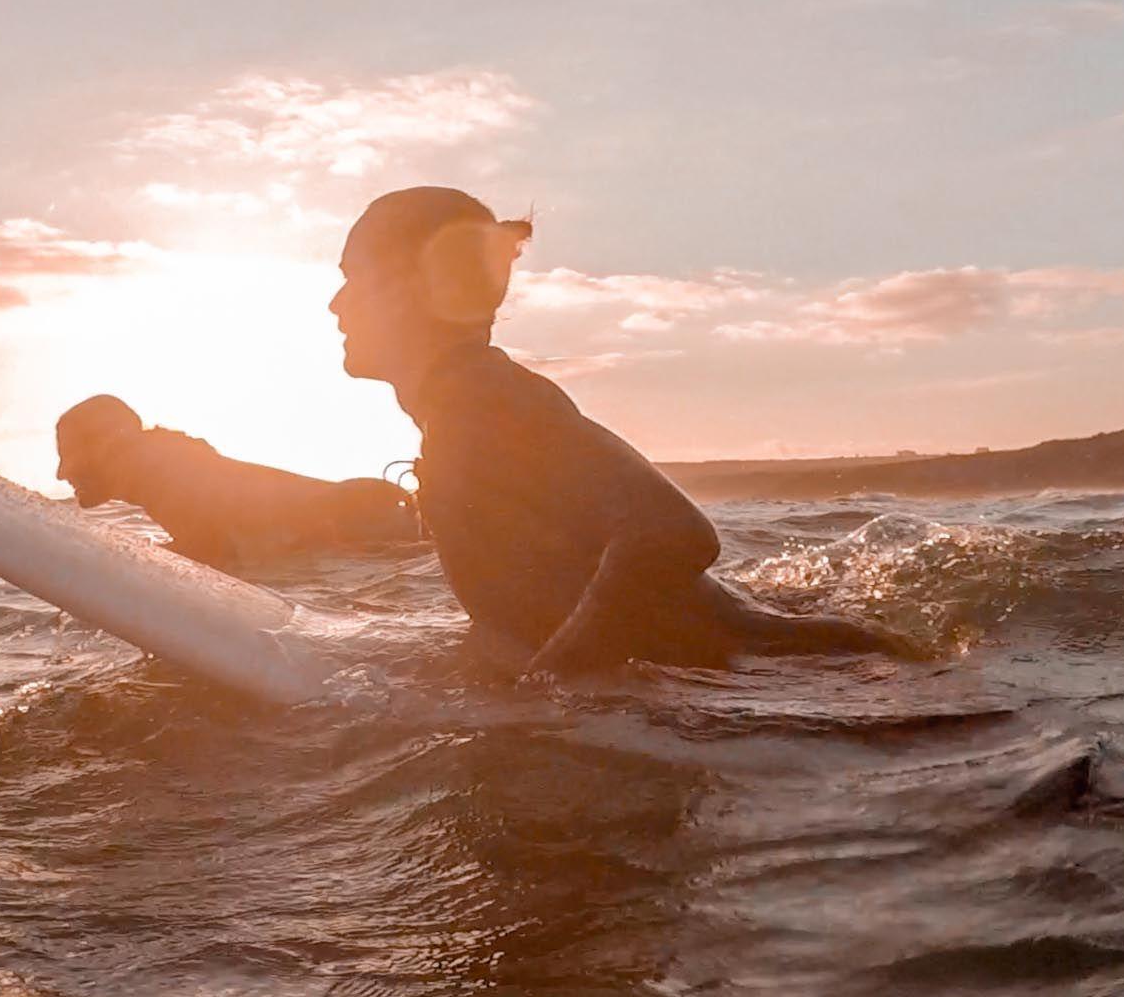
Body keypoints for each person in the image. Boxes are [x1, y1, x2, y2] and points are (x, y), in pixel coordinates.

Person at [328, 186, 932, 676]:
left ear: (414, 288)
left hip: (804, 676)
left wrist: (552, 682)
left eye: (355, 278)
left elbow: (673, 532)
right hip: (764, 667)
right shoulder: (466, 407)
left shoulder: (480, 405)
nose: (336, 304)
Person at [53, 393, 420, 569]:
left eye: (67, 453)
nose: (61, 472)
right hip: (375, 512)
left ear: (109, 443)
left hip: (370, 524)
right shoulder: (164, 462)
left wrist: (112, 566)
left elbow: (211, 554)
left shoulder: (161, 470)